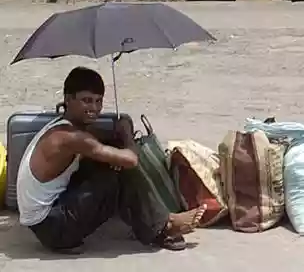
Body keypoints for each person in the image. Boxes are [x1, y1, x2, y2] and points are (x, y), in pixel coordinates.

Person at [16, 67, 205, 254]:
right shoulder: (69, 137)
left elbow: (98, 143)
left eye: (98, 101)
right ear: (68, 99)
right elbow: (131, 160)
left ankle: (152, 222)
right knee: (121, 169)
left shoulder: (65, 126)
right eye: (86, 101)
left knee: (109, 161)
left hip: (49, 220)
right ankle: (165, 225)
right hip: (53, 229)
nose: (94, 108)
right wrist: (126, 136)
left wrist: (119, 139)